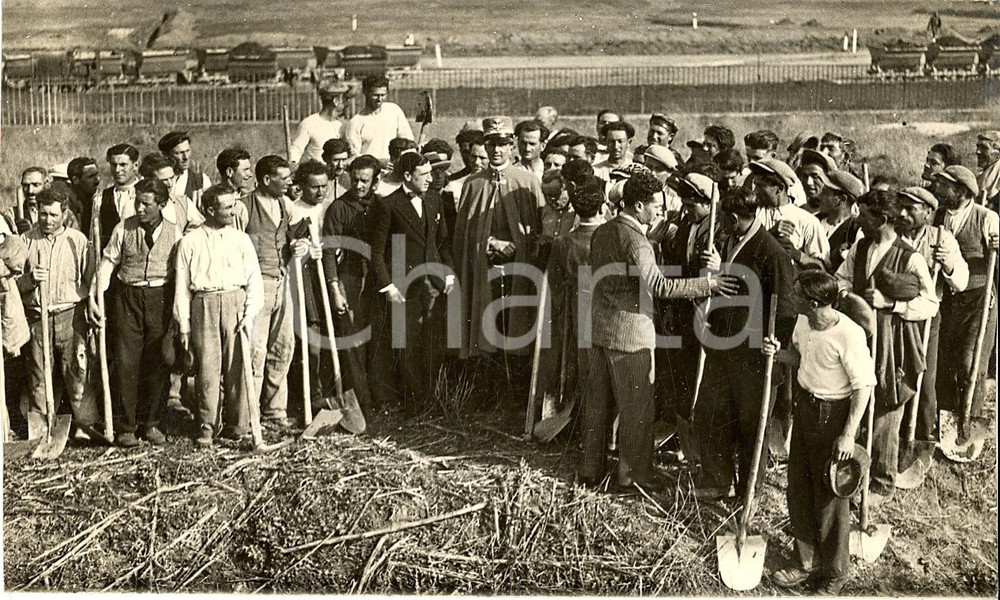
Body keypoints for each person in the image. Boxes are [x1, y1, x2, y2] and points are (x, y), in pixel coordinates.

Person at [579, 169, 736, 492]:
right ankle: (633, 475)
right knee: (637, 409)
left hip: (598, 330)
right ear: (638, 205)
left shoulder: (604, 231)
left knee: (597, 406)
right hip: (630, 336)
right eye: (656, 207)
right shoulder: (637, 242)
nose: (660, 213)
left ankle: (590, 468)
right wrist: (707, 283)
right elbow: (660, 286)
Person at [765, 270, 876, 596]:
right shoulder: (804, 322)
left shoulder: (849, 335)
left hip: (834, 415)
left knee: (830, 496)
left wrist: (848, 434)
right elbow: (801, 358)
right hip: (806, 409)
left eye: (798, 295)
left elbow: (863, 387)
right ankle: (806, 562)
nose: (792, 299)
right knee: (798, 487)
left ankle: (835, 572)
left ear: (814, 302)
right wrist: (778, 354)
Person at [835, 189, 937, 505]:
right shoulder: (860, 246)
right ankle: (854, 471)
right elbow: (841, 278)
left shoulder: (911, 257)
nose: (858, 219)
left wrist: (891, 304)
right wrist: (847, 294)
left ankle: (881, 481)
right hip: (859, 334)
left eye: (864, 214)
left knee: (887, 404)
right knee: (856, 392)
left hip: (895, 341)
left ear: (881, 218)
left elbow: (930, 303)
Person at [694, 186, 797, 501]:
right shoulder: (729, 242)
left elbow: (787, 308)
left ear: (736, 218)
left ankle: (748, 489)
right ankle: (717, 478)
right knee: (712, 412)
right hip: (722, 344)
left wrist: (774, 344)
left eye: (725, 219)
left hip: (752, 353)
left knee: (752, 423)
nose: (721, 224)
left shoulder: (772, 253)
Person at [88, 179, 178, 447]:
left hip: (159, 298)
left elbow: (180, 272)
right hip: (127, 298)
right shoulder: (123, 228)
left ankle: (151, 424)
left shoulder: (175, 233)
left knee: (157, 362)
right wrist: (95, 297)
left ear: (161, 205)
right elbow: (107, 263)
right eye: (137, 202)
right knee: (127, 362)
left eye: (145, 204)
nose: (139, 208)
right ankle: (126, 427)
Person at [174, 185, 264, 447]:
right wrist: (184, 326)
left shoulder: (241, 239)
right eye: (227, 207)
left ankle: (238, 425)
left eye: (234, 204)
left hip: (235, 303)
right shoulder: (190, 242)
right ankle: (207, 425)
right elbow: (182, 286)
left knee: (237, 366)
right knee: (207, 369)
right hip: (204, 304)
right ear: (210, 210)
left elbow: (254, 280)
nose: (233, 210)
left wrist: (249, 313)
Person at [368, 152, 455, 409]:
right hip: (403, 285)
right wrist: (388, 286)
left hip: (433, 284)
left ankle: (433, 397)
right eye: (424, 174)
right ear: (407, 176)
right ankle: (414, 402)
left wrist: (448, 272)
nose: (431, 179)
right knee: (407, 342)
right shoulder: (388, 205)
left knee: (433, 341)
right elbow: (377, 251)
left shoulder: (433, 199)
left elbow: (441, 242)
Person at [453, 116, 543, 359]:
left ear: (512, 145)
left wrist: (515, 245)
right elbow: (465, 232)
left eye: (502, 143)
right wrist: (490, 243)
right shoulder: (473, 184)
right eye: (491, 143)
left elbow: (537, 227)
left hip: (518, 267)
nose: (496, 150)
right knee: (486, 325)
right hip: (484, 267)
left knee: (516, 325)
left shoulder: (526, 181)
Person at [236, 155, 316, 427]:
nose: (289, 182)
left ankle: (275, 410)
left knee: (284, 347)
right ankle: (249, 415)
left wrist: (299, 245)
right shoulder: (243, 207)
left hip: (283, 281)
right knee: (256, 349)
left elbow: (297, 234)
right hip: (256, 286)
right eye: (283, 178)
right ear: (267, 180)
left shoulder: (285, 204)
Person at [18, 188, 101, 440]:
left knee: (77, 371)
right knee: (39, 376)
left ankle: (86, 425)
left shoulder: (77, 241)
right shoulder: (25, 241)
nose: (48, 220)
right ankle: (41, 430)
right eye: (43, 214)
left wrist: (92, 304)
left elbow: (92, 280)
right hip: (37, 316)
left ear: (64, 214)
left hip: (70, 314)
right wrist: (30, 279)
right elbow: (12, 284)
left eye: (54, 214)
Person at [896, 186, 968, 466]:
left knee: (924, 380)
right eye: (901, 207)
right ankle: (896, 435)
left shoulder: (942, 238)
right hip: (894, 314)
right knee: (894, 376)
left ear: (927, 212)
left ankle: (922, 438)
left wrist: (948, 264)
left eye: (911, 209)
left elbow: (960, 281)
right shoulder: (892, 235)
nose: (903, 213)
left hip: (927, 317)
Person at [928, 166, 1000, 442]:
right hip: (947, 301)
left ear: (960, 191)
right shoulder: (937, 217)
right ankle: (946, 424)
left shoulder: (987, 218)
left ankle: (968, 424)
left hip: (978, 302)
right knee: (945, 365)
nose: (939, 189)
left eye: (944, 185)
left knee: (971, 365)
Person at [323, 154, 393, 407]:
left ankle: (383, 396)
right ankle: (361, 400)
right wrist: (335, 289)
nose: (358, 186)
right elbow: (328, 251)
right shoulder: (338, 208)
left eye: (365, 181)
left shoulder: (382, 206)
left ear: (376, 182)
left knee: (378, 337)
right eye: (354, 180)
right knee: (353, 339)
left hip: (377, 278)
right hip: (349, 277)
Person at [533, 182, 605, 423]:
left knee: (574, 361)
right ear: (602, 206)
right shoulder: (610, 238)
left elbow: (554, 283)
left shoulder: (563, 243)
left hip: (573, 311)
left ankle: (575, 418)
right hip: (605, 310)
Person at [750, 158, 830, 270]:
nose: (755, 192)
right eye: (755, 185)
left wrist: (797, 255)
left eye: (761, 186)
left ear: (780, 189)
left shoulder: (806, 221)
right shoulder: (751, 214)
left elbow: (822, 269)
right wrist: (769, 236)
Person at [345, 75, 414, 162]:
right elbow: (354, 156)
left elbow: (407, 141)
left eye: (383, 95)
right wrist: (379, 163)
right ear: (365, 92)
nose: (379, 99)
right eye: (375, 95)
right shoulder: (355, 122)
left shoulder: (394, 110)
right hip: (370, 172)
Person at [138, 153, 204, 232]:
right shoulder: (134, 205)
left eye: (171, 178)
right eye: (164, 180)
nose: (170, 184)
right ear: (148, 179)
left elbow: (201, 228)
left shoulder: (184, 203)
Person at [289, 81, 350, 165]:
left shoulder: (343, 125)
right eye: (345, 99)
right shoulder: (309, 123)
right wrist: (292, 163)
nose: (347, 104)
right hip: (316, 174)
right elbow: (296, 149)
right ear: (336, 101)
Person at [816, 170, 864, 272]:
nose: (819, 196)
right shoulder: (814, 221)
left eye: (825, 193)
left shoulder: (856, 231)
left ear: (841, 199)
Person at [98, 144, 141, 250]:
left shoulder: (145, 194)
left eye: (123, 165)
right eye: (113, 164)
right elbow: (95, 236)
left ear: (135, 165)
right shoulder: (102, 198)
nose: (117, 170)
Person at [158, 131, 211, 203]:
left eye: (187, 151)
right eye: (179, 153)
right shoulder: (157, 179)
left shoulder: (201, 180)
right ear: (166, 155)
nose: (186, 157)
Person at [65, 157, 101, 232]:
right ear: (76, 180)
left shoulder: (96, 199)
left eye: (96, 174)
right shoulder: (67, 204)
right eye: (91, 177)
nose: (97, 180)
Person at [321, 138, 353, 202]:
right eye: (336, 160)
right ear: (326, 159)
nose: (340, 166)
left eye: (344, 160)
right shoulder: (317, 179)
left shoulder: (351, 180)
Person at [976, 130, 1000, 210]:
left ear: (997, 153)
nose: (978, 151)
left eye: (984, 148)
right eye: (978, 146)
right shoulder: (979, 176)